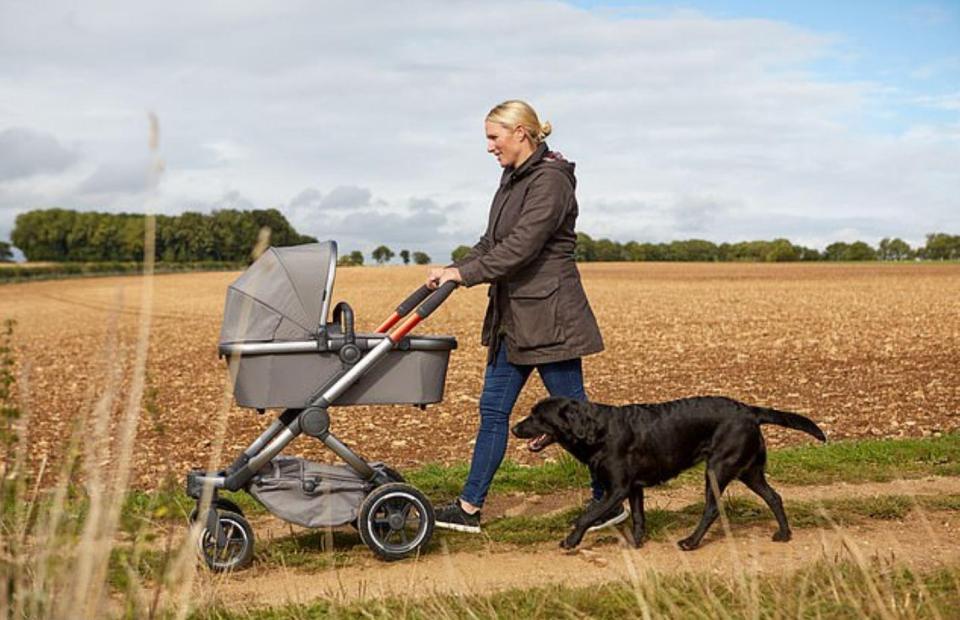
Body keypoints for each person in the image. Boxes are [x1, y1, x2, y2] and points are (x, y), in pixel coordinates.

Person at [425, 100, 622, 534]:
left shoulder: (550, 182)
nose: (489, 147)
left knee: (580, 422)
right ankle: (469, 507)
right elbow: (493, 241)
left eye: (494, 138)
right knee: (492, 412)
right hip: (513, 321)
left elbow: (522, 247)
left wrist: (467, 274)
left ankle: (609, 499)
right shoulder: (512, 179)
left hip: (550, 320)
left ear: (521, 133)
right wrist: (453, 268)